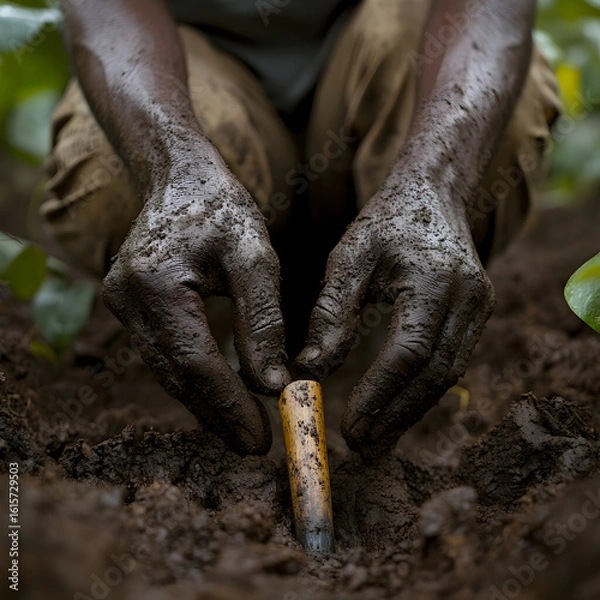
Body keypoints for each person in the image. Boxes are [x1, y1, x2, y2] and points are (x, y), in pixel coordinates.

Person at [42, 0, 561, 456]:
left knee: (493, 131)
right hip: (180, 62)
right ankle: (223, 346)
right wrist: (173, 166)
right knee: (108, 179)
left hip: (395, 46)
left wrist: (436, 182)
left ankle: (389, 315)